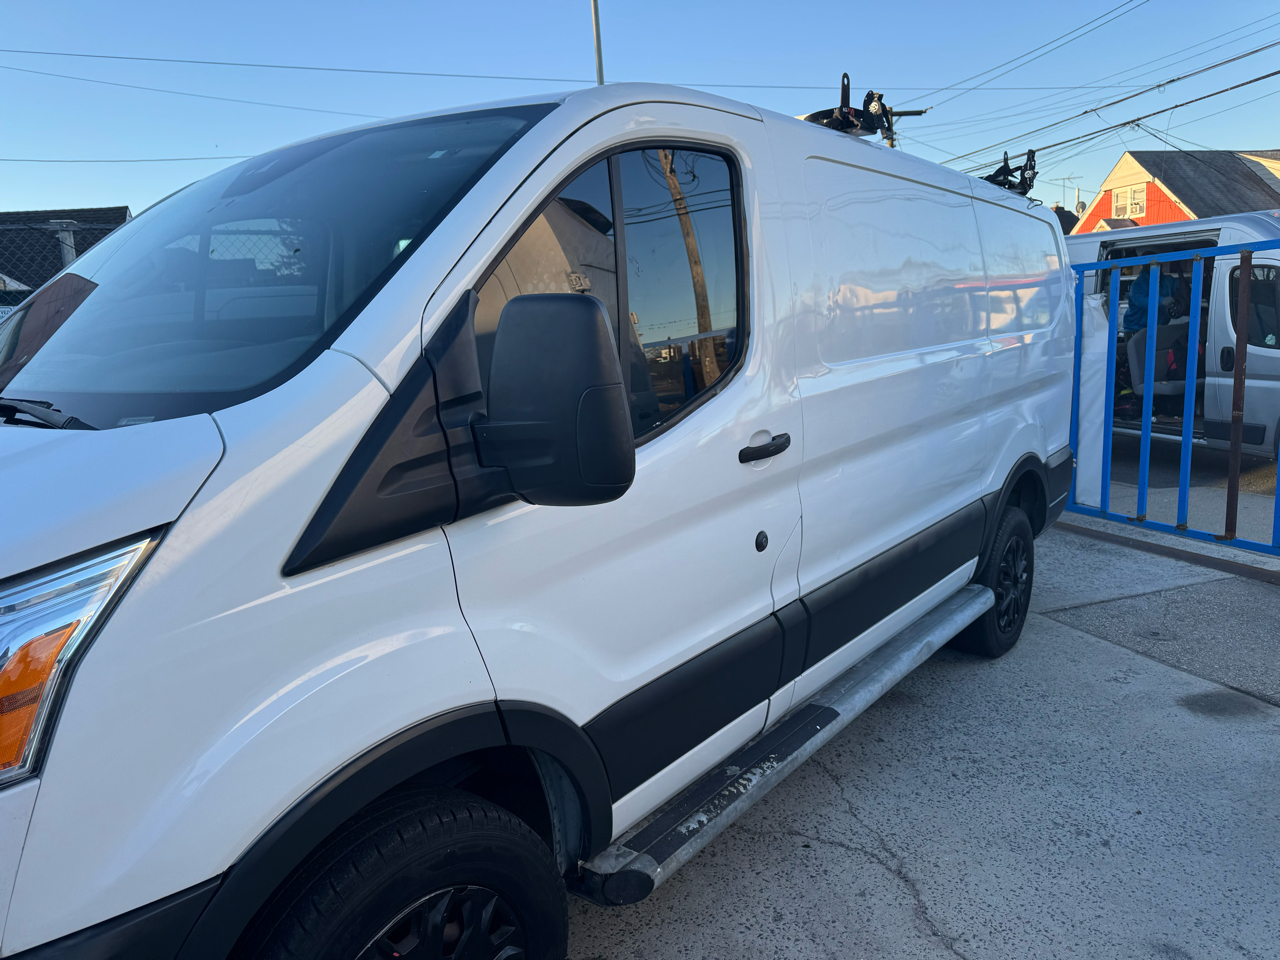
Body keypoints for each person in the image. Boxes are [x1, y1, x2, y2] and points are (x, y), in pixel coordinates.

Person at [1122, 251, 1189, 336]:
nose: (1157, 264)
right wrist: (1161, 301)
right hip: (1136, 329)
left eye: (1158, 261)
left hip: (1158, 328)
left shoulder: (1169, 280)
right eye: (1151, 263)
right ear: (1144, 265)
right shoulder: (1138, 284)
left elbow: (1182, 289)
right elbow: (1141, 302)